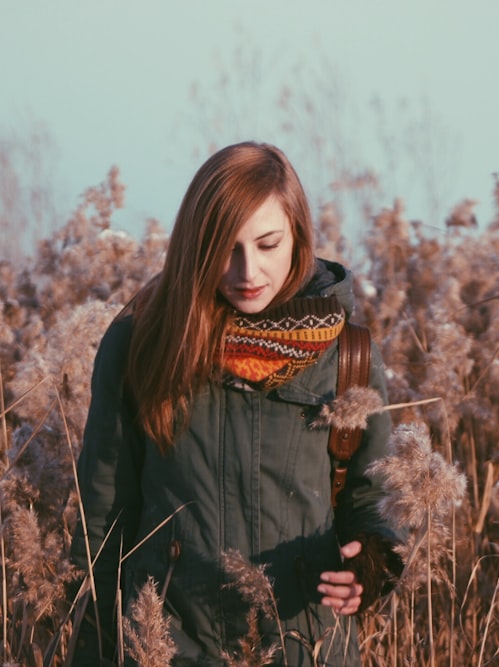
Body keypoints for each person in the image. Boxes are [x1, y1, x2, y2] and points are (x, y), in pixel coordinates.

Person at [69, 141, 402, 666]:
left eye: (268, 244)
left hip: (303, 648)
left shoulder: (348, 354)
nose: (248, 270)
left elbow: (375, 497)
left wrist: (371, 565)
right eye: (226, 247)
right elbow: (103, 520)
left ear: (298, 235)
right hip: (168, 650)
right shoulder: (144, 343)